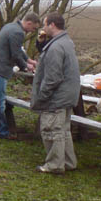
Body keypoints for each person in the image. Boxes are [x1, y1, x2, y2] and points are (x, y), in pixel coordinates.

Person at [30, 12, 80, 174]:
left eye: (45, 24)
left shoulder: (56, 47)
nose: (43, 28)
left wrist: (42, 97)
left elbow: (52, 78)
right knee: (63, 130)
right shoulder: (66, 42)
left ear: (52, 25)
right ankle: (68, 162)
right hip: (68, 94)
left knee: (52, 130)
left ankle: (54, 165)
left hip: (56, 97)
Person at [0, 13, 41, 140]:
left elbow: (18, 49)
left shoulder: (10, 26)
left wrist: (29, 60)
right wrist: (26, 67)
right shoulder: (18, 32)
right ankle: (1, 132)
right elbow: (15, 54)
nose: (33, 31)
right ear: (29, 23)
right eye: (34, 28)